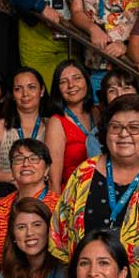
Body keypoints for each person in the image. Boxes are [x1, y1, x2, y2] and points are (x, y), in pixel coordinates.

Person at [51, 94, 139, 278]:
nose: (124, 134)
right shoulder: (85, 172)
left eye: (134, 127)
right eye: (115, 127)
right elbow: (61, 233)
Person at [0, 139, 59, 278]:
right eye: (18, 159)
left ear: (47, 169)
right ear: (11, 168)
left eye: (34, 158)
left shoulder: (59, 206)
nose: (25, 164)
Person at [0, 68, 48, 193]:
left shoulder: (51, 125)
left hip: (43, 194)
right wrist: (14, 178)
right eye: (18, 89)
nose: (25, 94)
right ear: (12, 94)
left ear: (41, 91)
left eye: (31, 87)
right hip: (8, 193)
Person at [45, 60, 98, 192]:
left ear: (86, 80)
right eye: (63, 82)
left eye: (77, 78)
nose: (71, 85)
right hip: (72, 196)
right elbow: (53, 180)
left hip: (100, 192)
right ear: (58, 89)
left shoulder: (97, 113)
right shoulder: (57, 122)